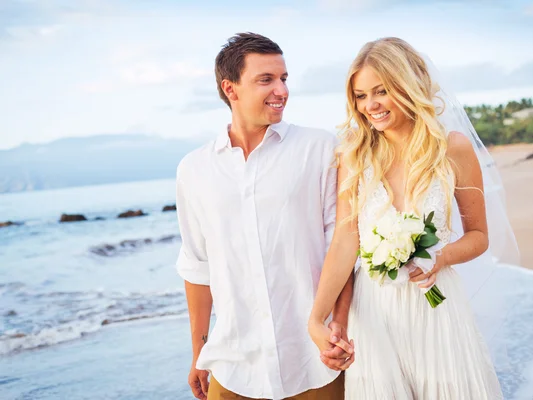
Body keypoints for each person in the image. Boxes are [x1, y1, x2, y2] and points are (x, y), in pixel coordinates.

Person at [308, 37, 509, 399]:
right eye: (360, 95)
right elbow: (343, 242)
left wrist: (439, 257)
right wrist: (316, 318)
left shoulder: (453, 148)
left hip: (436, 304)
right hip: (374, 312)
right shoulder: (354, 154)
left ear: (406, 86)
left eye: (380, 91)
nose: (370, 105)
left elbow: (479, 235)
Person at [175, 32, 353, 400]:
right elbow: (197, 266)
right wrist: (199, 354)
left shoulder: (319, 148)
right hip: (234, 366)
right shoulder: (194, 169)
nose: (281, 90)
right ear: (231, 88)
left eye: (284, 78)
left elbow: (343, 246)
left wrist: (339, 327)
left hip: (315, 359)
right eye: (266, 80)